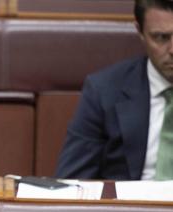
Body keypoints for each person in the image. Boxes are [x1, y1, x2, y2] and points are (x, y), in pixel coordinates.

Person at [56, 0, 173, 180]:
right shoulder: (103, 91)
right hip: (132, 205)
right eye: (161, 38)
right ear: (140, 32)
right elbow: (72, 181)